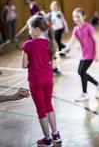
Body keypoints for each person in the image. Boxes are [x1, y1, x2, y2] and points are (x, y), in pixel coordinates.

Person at [22, 15, 61, 146]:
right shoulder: (51, 43)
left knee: (41, 110)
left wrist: (29, 55)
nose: (29, 32)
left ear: (37, 29)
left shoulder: (27, 45)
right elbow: (54, 65)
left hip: (35, 80)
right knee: (49, 106)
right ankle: (56, 135)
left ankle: (47, 139)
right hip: (49, 78)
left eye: (30, 29)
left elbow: (23, 65)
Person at [61, 7, 99, 102]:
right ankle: (97, 85)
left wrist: (97, 54)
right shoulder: (76, 29)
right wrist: (66, 49)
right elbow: (72, 41)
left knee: (82, 72)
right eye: (74, 17)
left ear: (84, 16)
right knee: (81, 72)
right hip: (84, 54)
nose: (76, 19)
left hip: (91, 54)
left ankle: (85, 93)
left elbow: (97, 41)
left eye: (78, 16)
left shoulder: (89, 27)